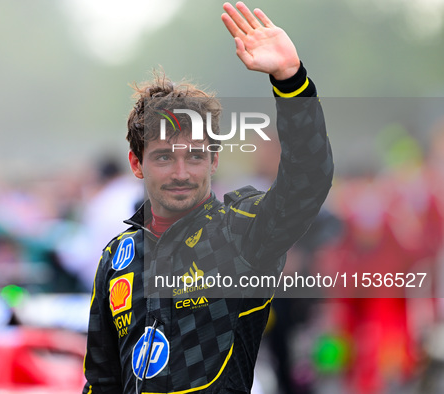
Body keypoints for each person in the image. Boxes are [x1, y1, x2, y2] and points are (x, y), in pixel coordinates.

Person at [83, 2, 334, 393]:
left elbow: (307, 182)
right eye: (165, 157)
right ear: (137, 163)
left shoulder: (243, 234)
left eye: (195, 156)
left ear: (214, 160)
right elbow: (101, 381)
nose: (181, 173)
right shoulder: (116, 259)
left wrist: (290, 80)